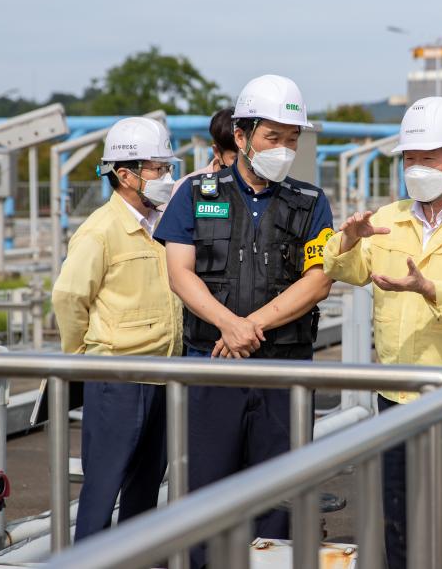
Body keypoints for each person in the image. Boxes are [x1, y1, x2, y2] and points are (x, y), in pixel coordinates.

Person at [323, 96, 442, 569]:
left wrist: (428, 287)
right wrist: (346, 239)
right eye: (409, 159)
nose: (416, 169)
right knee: (398, 521)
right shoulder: (387, 220)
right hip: (398, 396)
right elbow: (343, 270)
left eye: (427, 159)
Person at [155, 74, 334, 568]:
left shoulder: (311, 202)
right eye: (272, 138)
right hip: (211, 370)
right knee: (204, 495)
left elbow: (318, 281)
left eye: (292, 140)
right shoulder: (195, 193)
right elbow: (179, 273)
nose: (284, 150)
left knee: (280, 499)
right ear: (241, 136)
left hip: (284, 373)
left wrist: (246, 325)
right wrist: (226, 324)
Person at [51, 116, 183, 540]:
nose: (166, 178)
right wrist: (82, 359)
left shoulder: (162, 225)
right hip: (117, 378)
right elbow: (69, 298)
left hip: (162, 375)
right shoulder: (100, 231)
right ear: (125, 175)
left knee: (145, 493)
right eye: (158, 170)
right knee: (103, 490)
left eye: (167, 169)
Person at [171, 106, 238, 199]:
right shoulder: (187, 188)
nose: (243, 164)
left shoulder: (261, 188)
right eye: (236, 158)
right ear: (217, 152)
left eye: (248, 157)